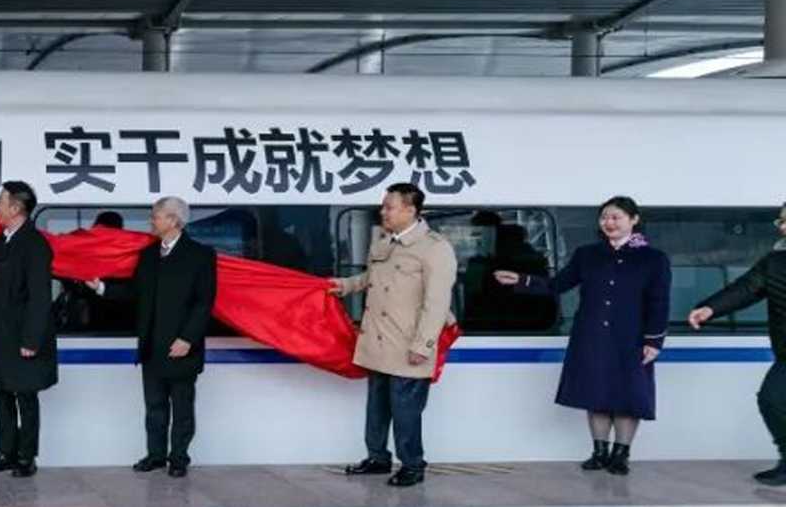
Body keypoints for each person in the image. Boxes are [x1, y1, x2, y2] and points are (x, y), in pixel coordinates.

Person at [493, 196, 670, 475]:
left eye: (616, 217)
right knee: (595, 394)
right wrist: (523, 280)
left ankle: (620, 455)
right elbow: (558, 284)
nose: (609, 223)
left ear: (634, 220)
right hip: (591, 336)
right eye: (604, 217)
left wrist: (654, 341)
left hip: (632, 339)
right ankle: (599, 452)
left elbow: (659, 303)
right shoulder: (587, 254)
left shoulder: (653, 259)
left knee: (628, 398)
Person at [328, 183, 457, 488]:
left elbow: (437, 303)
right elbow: (372, 278)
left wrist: (423, 345)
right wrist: (346, 286)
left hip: (408, 343)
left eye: (389, 207)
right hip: (378, 340)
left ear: (411, 210)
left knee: (405, 412)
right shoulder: (385, 242)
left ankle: (412, 465)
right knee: (377, 408)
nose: (383, 212)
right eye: (383, 206)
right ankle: (377, 458)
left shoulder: (435, 248)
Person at [87, 196, 217, 477]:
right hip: (151, 346)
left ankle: (179, 458)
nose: (151, 221)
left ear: (173, 220)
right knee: (154, 407)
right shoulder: (148, 255)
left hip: (182, 347)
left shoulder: (200, 255)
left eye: (156, 216)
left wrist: (187, 339)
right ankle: (155, 455)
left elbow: (203, 303)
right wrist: (102, 288)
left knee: (182, 408)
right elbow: (134, 292)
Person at [686, 202, 786, 485]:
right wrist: (710, 309)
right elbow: (745, 289)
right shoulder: (775, 262)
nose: (782, 226)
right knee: (772, 399)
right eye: (780, 221)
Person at [0, 181, 57, 478]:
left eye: (0, 200)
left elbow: (39, 297)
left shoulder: (35, 245)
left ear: (16, 207)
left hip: (23, 336)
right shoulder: (0, 242)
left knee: (25, 397)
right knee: (1, 394)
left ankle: (26, 456)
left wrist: (31, 339)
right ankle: (6, 452)